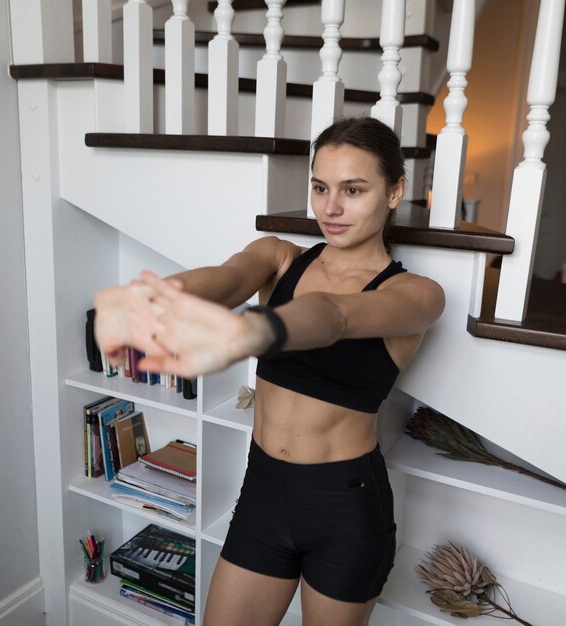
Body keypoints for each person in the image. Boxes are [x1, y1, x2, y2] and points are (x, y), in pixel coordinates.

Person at [94, 116, 445, 626]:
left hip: (345, 509)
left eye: (354, 189)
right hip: (263, 493)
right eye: (320, 187)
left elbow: (337, 315)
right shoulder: (281, 258)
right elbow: (227, 278)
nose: (330, 207)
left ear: (395, 192)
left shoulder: (414, 294)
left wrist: (254, 333)